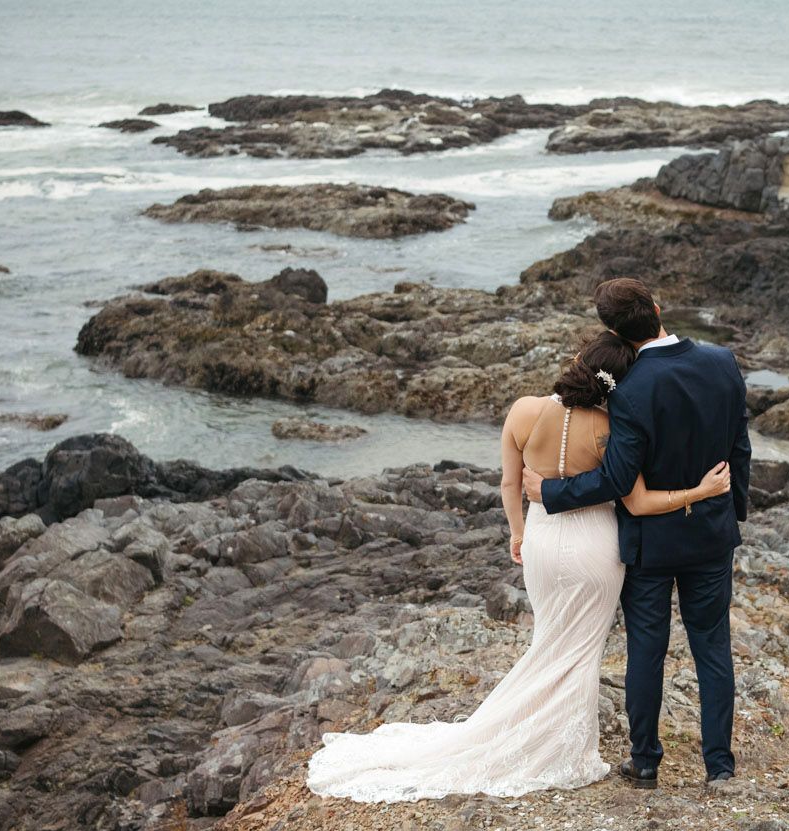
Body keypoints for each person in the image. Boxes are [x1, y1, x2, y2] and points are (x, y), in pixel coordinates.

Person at [304, 329, 730, 802]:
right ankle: (567, 748)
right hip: (595, 546)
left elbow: (509, 485)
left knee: (547, 640)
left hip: (543, 544)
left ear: (576, 361)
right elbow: (639, 500)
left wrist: (518, 533)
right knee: (580, 653)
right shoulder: (610, 425)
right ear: (617, 382)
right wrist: (699, 493)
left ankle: (538, 735)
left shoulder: (523, 411)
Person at [524, 277, 751, 789]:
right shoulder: (722, 362)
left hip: (650, 543)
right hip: (712, 536)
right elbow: (740, 444)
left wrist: (553, 493)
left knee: (646, 651)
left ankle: (645, 762)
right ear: (657, 305)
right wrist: (731, 509)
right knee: (712, 648)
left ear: (615, 332)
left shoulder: (629, 390)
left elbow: (617, 479)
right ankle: (720, 767)